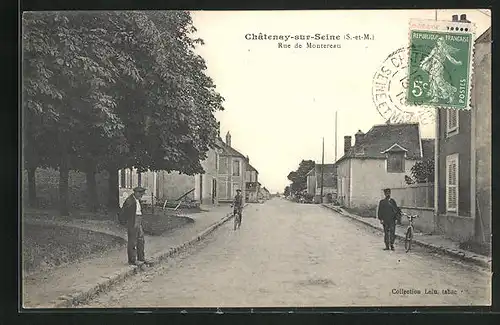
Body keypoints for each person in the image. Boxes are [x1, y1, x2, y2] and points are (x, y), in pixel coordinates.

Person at [118, 186, 152, 265]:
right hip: (132, 221)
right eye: (140, 193)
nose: (141, 195)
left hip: (138, 220)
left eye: (142, 194)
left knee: (141, 240)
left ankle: (141, 258)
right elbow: (124, 212)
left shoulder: (137, 200)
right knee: (132, 241)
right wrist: (126, 222)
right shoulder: (130, 201)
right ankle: (132, 260)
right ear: (135, 192)